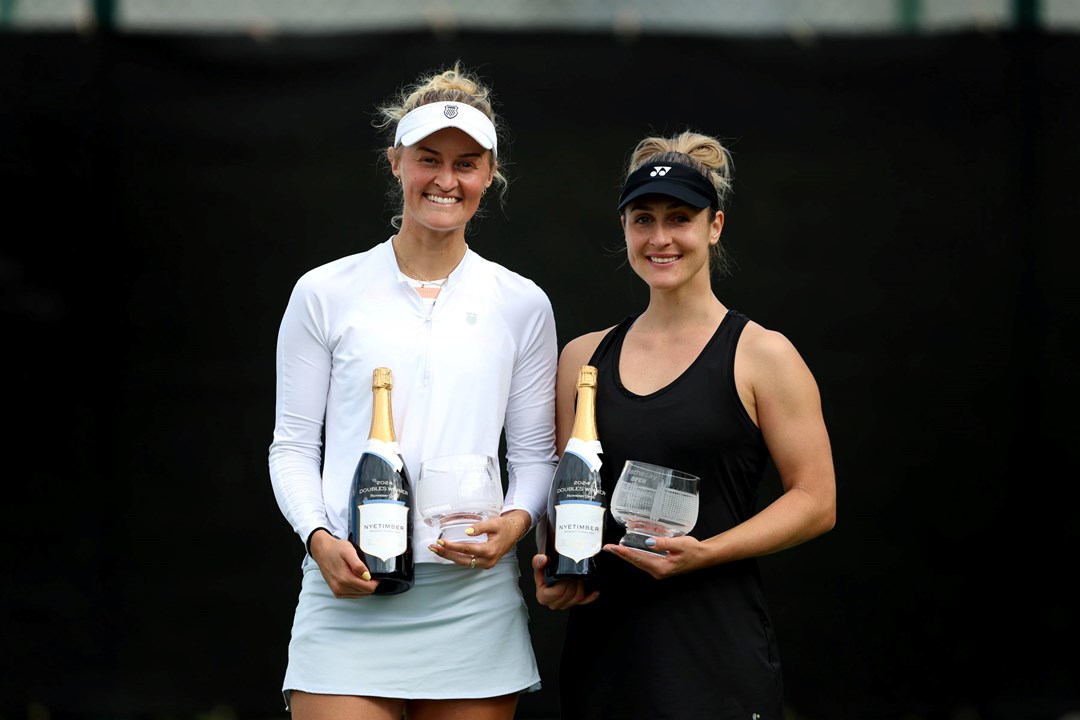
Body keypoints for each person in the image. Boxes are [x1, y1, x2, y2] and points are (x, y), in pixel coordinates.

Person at [269, 62, 558, 720]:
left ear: (489, 175)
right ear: (397, 161)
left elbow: (536, 452)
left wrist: (514, 524)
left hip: (472, 599)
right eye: (429, 158)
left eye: (467, 163)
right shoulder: (325, 291)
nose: (446, 180)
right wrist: (318, 537)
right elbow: (291, 445)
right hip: (350, 593)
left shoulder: (523, 304)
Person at [532, 130, 837, 719]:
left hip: (714, 655)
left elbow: (817, 500)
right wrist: (552, 566)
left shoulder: (762, 355)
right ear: (623, 229)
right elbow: (564, 498)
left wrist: (707, 552)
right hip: (606, 660)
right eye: (642, 219)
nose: (661, 237)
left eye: (680, 218)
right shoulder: (582, 359)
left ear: (714, 226)